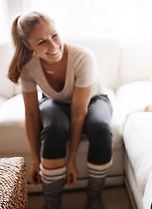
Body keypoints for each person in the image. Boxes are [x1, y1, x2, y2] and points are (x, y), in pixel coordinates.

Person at [8, 11, 113, 209]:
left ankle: (94, 196)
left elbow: (78, 111)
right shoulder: (27, 67)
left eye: (54, 36)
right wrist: (34, 160)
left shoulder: (83, 57)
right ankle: (52, 202)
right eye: (42, 42)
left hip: (93, 100)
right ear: (27, 45)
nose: (53, 46)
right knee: (54, 127)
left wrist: (71, 160)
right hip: (54, 101)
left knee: (100, 127)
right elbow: (31, 114)